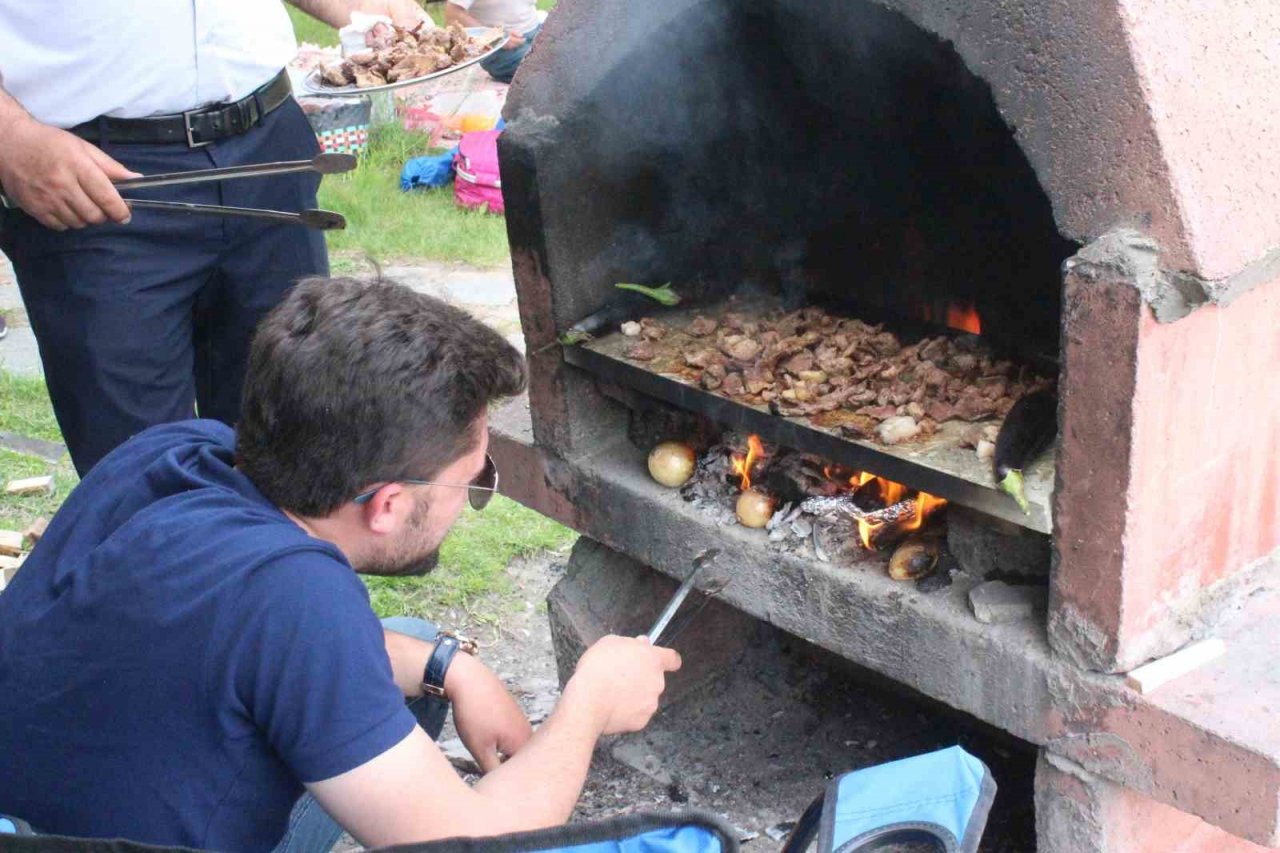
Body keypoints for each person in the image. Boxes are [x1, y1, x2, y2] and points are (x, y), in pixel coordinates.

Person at [0, 276, 682, 852]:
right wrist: (588, 705)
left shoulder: (179, 452)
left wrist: (451, 664)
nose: (472, 498)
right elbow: (473, 844)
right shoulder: (296, 599)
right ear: (387, 504)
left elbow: (258, 640)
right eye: (472, 482)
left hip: (38, 820)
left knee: (413, 644)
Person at [0, 0, 431, 477]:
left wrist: (371, 10)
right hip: (93, 174)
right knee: (142, 474)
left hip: (268, 143)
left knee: (298, 443)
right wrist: (9, 135)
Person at [445, 0, 542, 83]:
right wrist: (496, 37)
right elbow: (453, 13)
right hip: (501, 49)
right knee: (545, 72)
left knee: (550, 60)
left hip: (536, 31)